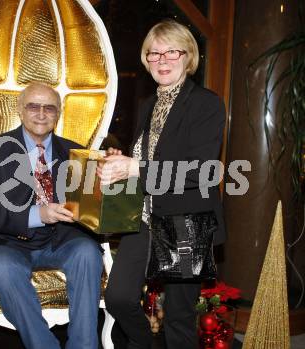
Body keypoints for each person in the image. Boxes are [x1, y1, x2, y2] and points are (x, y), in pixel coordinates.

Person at [98, 19, 226, 348]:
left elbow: (199, 171)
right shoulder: (147, 105)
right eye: (153, 54)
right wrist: (121, 159)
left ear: (189, 57)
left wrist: (135, 167)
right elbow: (147, 156)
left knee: (179, 321)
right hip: (142, 218)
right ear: (146, 61)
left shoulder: (207, 104)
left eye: (171, 52)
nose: (162, 60)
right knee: (118, 297)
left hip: (187, 220)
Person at [0, 82, 103, 349]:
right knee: (2, 267)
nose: (41, 113)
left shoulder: (76, 153)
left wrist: (108, 176)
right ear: (20, 111)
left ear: (59, 113)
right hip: (7, 240)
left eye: (49, 108)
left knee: (88, 253)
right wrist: (38, 214)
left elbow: (92, 208)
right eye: (33, 106)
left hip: (62, 239)